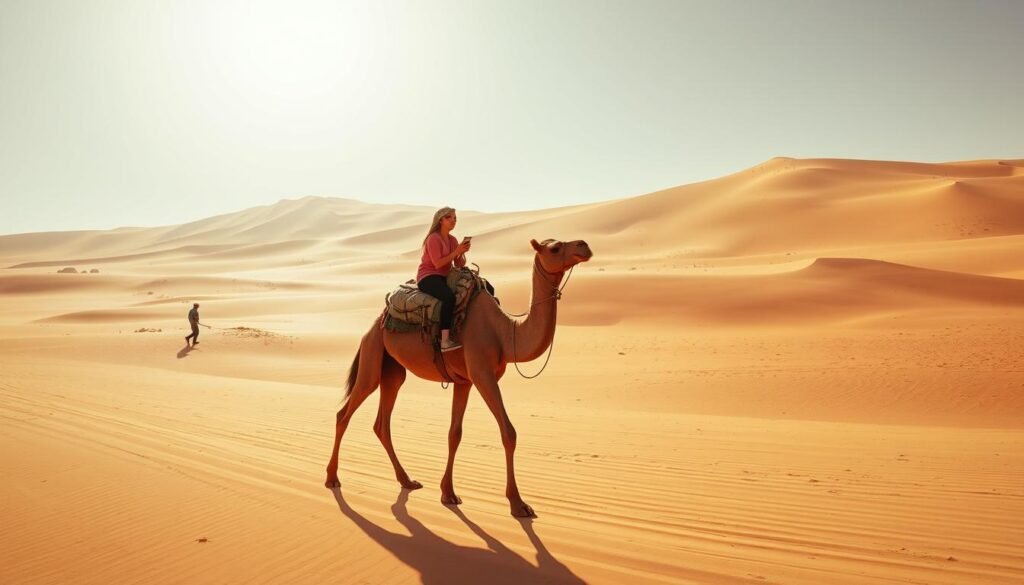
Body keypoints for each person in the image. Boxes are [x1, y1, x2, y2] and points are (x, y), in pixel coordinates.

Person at [417, 207, 471, 352]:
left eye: (455, 218)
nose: (453, 221)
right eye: (449, 218)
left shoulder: (452, 239)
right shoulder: (433, 238)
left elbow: (458, 264)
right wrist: (456, 252)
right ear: (441, 220)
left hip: (444, 277)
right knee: (449, 298)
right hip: (428, 277)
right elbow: (438, 263)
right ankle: (445, 341)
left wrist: (462, 253)